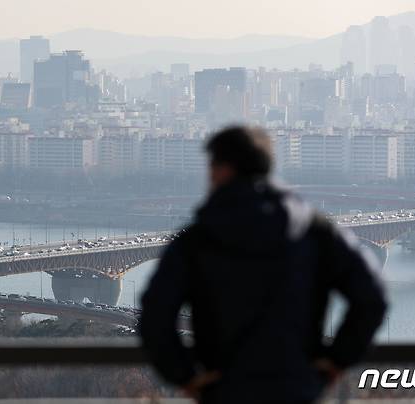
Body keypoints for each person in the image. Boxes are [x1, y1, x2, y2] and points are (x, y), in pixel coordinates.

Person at [139, 126, 388, 404]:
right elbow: (372, 298)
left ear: (223, 170)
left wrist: (184, 376)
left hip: (226, 391)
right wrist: (336, 361)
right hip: (297, 389)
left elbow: (154, 316)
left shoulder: (198, 240)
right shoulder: (315, 231)